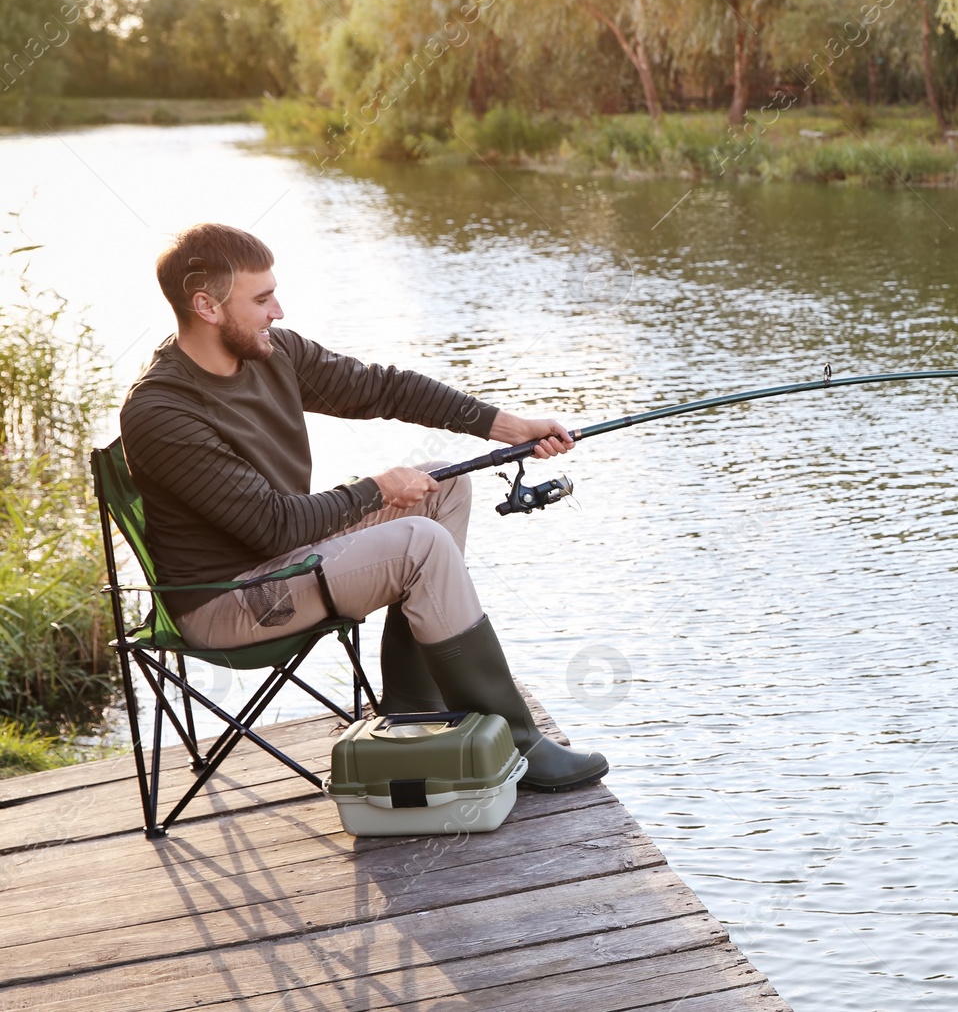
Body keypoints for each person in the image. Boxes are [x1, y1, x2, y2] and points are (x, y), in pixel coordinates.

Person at [119, 223, 607, 791]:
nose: (278, 309)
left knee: (442, 485)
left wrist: (506, 426)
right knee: (418, 543)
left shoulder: (273, 354)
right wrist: (376, 490)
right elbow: (272, 527)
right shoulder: (162, 410)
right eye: (261, 299)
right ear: (206, 305)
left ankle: (414, 713)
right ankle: (519, 749)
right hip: (229, 600)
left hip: (285, 561)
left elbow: (384, 389)